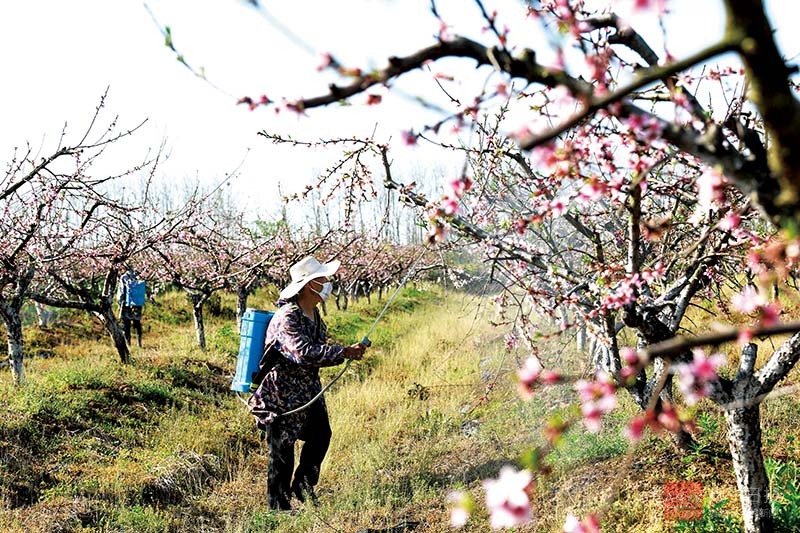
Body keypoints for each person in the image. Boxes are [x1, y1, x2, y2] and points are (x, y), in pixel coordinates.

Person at [247, 256, 367, 511]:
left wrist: (344, 353)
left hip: (307, 394)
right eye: (321, 280)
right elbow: (302, 353)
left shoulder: (313, 315)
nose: (326, 284)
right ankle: (277, 509)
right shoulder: (287, 317)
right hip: (280, 397)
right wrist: (343, 352)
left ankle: (302, 488)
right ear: (307, 285)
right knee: (282, 453)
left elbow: (317, 352)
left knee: (321, 435)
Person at [117, 266, 144, 348]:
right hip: (137, 304)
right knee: (137, 323)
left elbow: (121, 292)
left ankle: (128, 344)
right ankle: (139, 343)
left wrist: (119, 302)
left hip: (126, 304)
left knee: (126, 324)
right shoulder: (139, 276)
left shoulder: (123, 277)